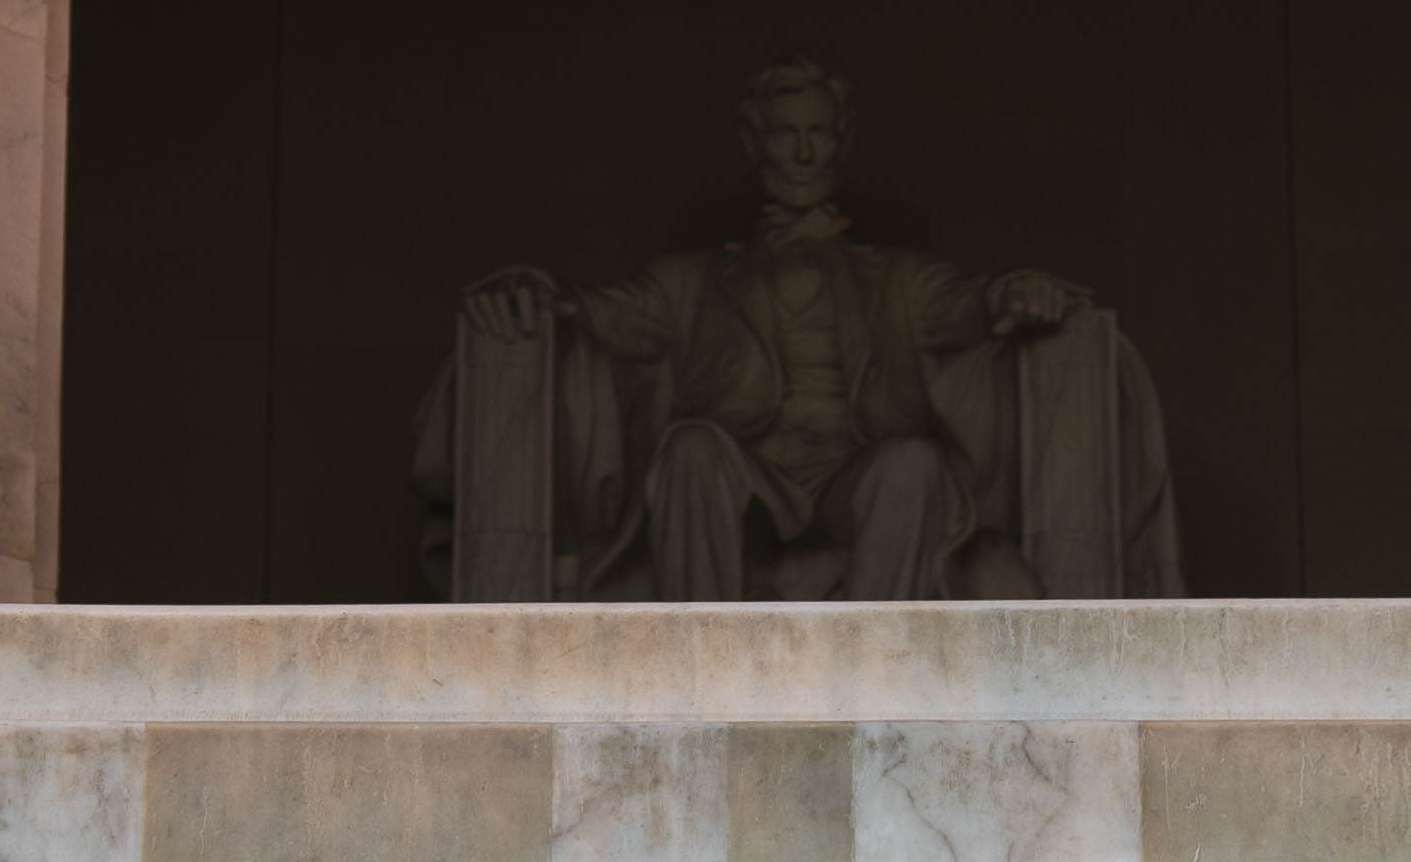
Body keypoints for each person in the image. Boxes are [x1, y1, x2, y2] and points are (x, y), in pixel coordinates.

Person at [453, 54, 1088, 599]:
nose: (804, 152)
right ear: (756, 143)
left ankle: (875, 669)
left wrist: (1016, 289)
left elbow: (968, 303)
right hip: (745, 481)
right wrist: (529, 287)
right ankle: (702, 674)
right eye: (786, 134)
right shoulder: (691, 282)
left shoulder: (896, 279)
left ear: (843, 140)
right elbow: (593, 312)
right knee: (691, 448)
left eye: (819, 132)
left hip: (853, 477)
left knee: (915, 463)